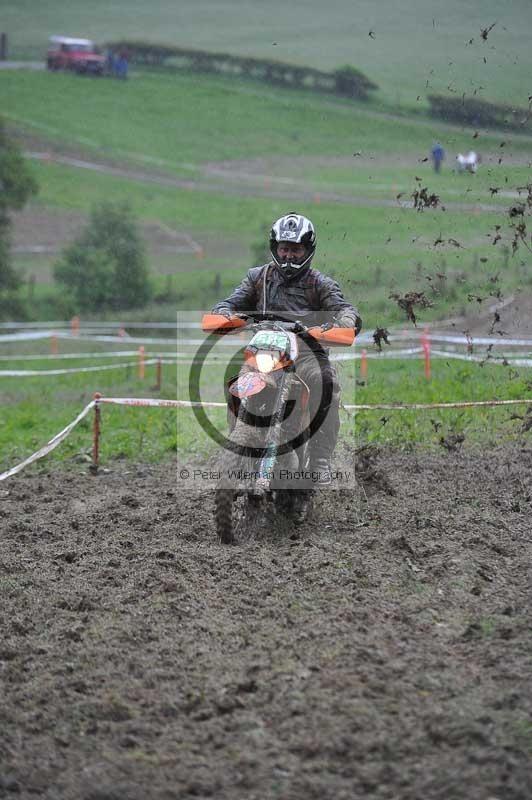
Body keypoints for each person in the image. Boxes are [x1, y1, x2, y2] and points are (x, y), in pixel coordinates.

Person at [212, 212, 361, 484]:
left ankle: (319, 459)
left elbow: (345, 310)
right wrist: (224, 314)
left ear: (307, 250)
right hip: (265, 350)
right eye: (284, 248)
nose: (289, 255)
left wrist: (342, 323)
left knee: (325, 380)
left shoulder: (320, 284)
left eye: (295, 249)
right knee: (233, 375)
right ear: (275, 248)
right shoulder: (258, 278)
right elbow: (231, 302)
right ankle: (237, 439)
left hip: (305, 353)